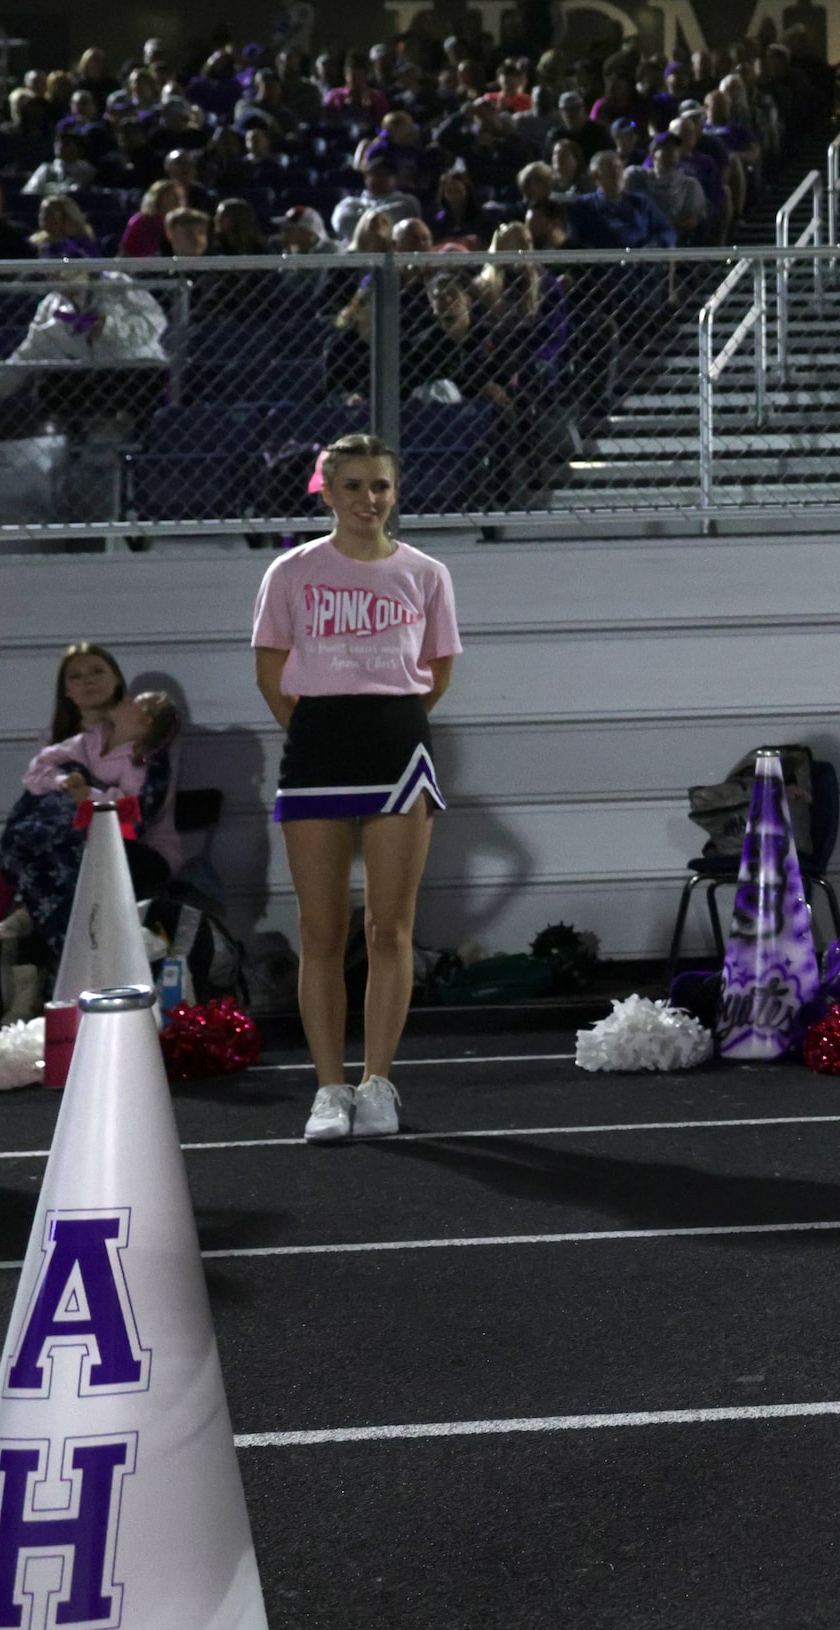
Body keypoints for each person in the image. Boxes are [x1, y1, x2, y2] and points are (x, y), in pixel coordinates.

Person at [252, 433, 462, 1145]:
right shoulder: (291, 571)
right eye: (353, 486)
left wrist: (384, 719)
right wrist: (320, 728)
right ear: (327, 491)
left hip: (398, 746)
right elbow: (271, 670)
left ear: (395, 491)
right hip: (317, 750)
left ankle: (378, 1082)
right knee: (322, 931)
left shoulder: (427, 572)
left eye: (380, 486)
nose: (368, 499)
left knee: (390, 928)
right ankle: (329, 1089)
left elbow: (437, 671)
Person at [0, 646, 182, 960]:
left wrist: (85, 792)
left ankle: (74, 955)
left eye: (97, 671)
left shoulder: (146, 743)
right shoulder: (67, 741)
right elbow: (36, 789)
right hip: (73, 835)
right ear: (67, 691)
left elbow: (137, 815)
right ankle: (11, 952)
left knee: (60, 861)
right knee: (30, 834)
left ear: (117, 679)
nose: (88, 681)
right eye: (76, 676)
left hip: (136, 845)